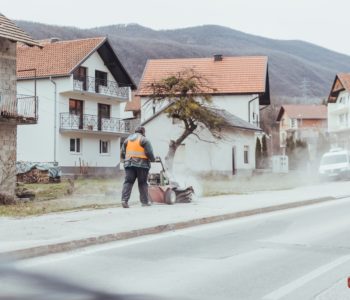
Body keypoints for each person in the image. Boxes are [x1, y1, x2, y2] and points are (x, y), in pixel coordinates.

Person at [120, 126, 155, 208]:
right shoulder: (144, 140)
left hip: (128, 164)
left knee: (128, 182)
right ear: (143, 132)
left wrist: (128, 158)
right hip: (142, 165)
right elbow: (149, 152)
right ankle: (145, 202)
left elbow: (122, 154)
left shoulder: (127, 140)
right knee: (142, 183)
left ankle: (124, 201)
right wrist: (152, 159)